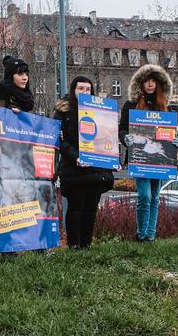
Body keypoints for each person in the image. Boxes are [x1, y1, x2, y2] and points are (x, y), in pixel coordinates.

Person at [53, 76, 114, 249]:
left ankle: (86, 244)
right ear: (73, 90)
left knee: (91, 209)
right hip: (74, 169)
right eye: (81, 89)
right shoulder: (63, 112)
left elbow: (107, 138)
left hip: (96, 169)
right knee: (76, 207)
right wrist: (76, 157)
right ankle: (74, 245)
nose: (85, 92)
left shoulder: (100, 112)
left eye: (88, 89)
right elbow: (60, 141)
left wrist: (111, 160)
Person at [118, 64, 177, 242]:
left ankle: (150, 235)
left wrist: (176, 141)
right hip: (140, 157)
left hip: (159, 160)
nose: (150, 84)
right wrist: (125, 139)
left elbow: (172, 133)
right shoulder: (131, 106)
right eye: (146, 81)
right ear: (140, 84)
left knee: (155, 197)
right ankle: (141, 233)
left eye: (154, 81)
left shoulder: (166, 108)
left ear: (159, 84)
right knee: (145, 195)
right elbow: (121, 130)